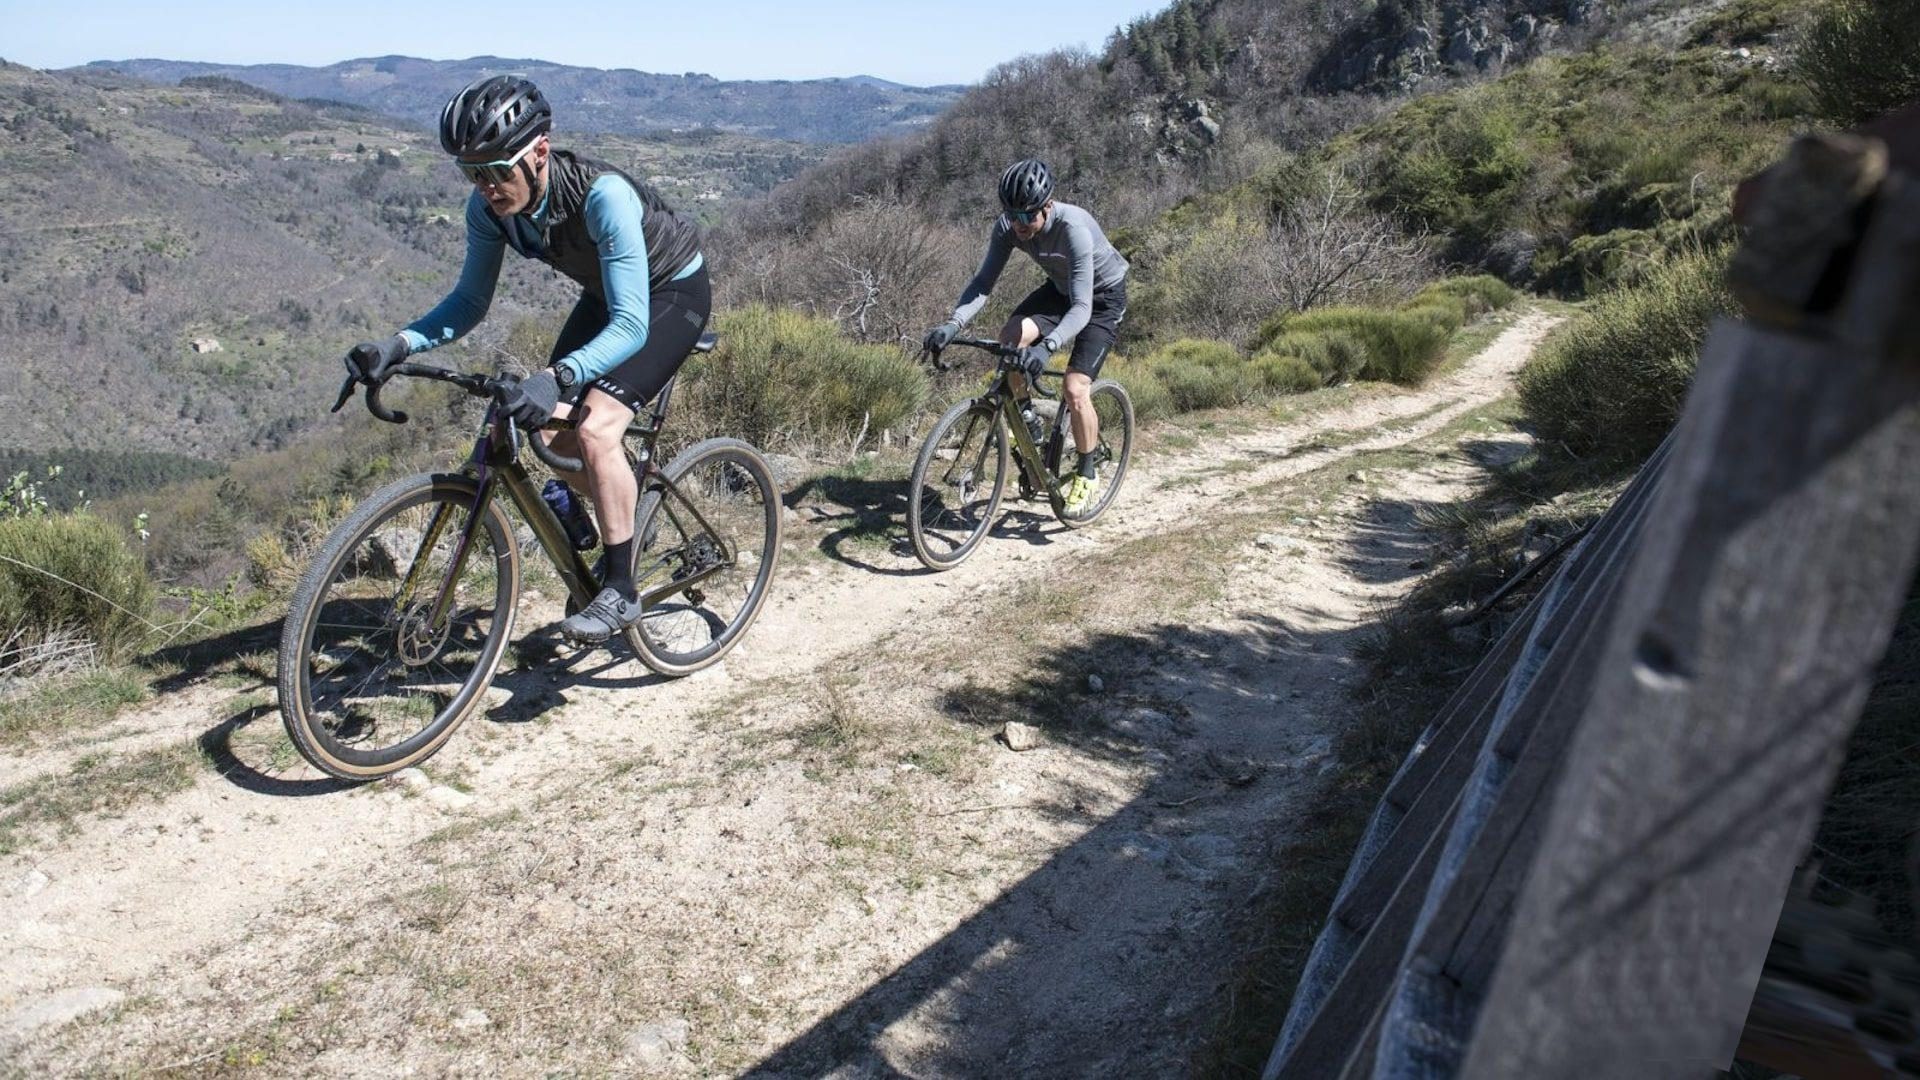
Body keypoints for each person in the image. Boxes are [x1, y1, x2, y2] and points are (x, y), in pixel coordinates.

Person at [341, 74, 711, 644]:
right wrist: (399, 343)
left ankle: (621, 590)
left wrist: (555, 376)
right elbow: (469, 301)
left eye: (496, 171)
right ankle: (627, 508)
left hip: (669, 297)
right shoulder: (489, 212)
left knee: (595, 431)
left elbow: (633, 324)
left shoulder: (601, 194)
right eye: (471, 173)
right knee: (550, 437)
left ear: (539, 152)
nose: (486, 186)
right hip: (606, 298)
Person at [924, 158, 1130, 513]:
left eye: (1027, 216)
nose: (1018, 224)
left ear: (1047, 206)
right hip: (1060, 289)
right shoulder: (1008, 226)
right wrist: (953, 323)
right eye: (1011, 214)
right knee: (1009, 338)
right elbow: (982, 283)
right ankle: (1028, 421)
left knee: (1075, 388)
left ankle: (1087, 471)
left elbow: (1082, 307)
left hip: (1101, 299)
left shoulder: (1073, 229)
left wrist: (1047, 347)